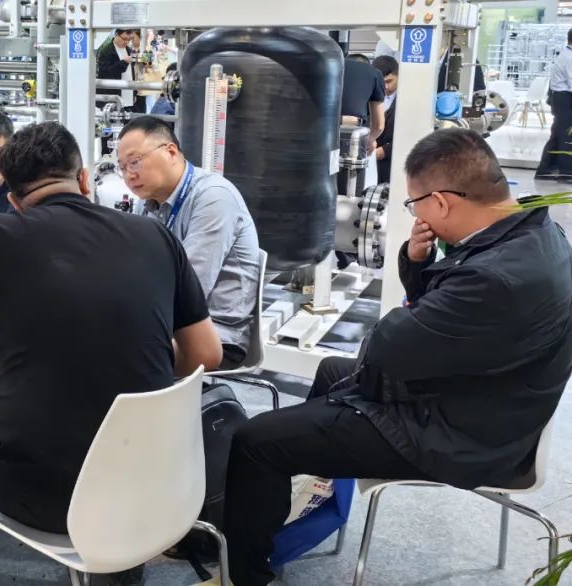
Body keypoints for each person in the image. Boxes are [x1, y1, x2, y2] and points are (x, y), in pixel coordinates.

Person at [224, 129, 572, 586]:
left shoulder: (494, 276)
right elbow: (442, 324)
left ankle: (247, 575)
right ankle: (301, 493)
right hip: (490, 399)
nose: (415, 215)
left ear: (441, 202)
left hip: (462, 435)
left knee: (256, 442)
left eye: (414, 204)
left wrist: (409, 302)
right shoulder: (536, 230)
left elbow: (386, 348)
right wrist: (417, 261)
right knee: (330, 370)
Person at [0, 122, 222, 586]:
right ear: (83, 179)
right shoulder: (155, 236)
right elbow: (207, 353)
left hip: (43, 496)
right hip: (157, 484)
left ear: (13, 200)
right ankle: (118, 569)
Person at [117, 115, 260, 369]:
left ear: (170, 152)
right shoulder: (147, 205)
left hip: (214, 334)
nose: (129, 175)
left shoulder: (214, 198)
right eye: (122, 167)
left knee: (113, 358)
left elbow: (190, 290)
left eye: (135, 162)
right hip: (166, 323)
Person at [536, 29, 572, 181]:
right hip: (565, 99)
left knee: (558, 135)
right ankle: (566, 173)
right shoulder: (568, 57)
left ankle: (545, 170)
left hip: (562, 98)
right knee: (566, 137)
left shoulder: (566, 55)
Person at [339, 48, 385, 154]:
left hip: (318, 128)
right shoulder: (374, 73)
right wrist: (369, 140)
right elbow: (378, 126)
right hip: (351, 131)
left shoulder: (331, 66)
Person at [373, 55, 398, 184]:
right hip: (371, 165)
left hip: (393, 165)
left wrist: (385, 151)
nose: (386, 87)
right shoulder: (371, 96)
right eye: (382, 83)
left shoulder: (407, 100)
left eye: (389, 81)